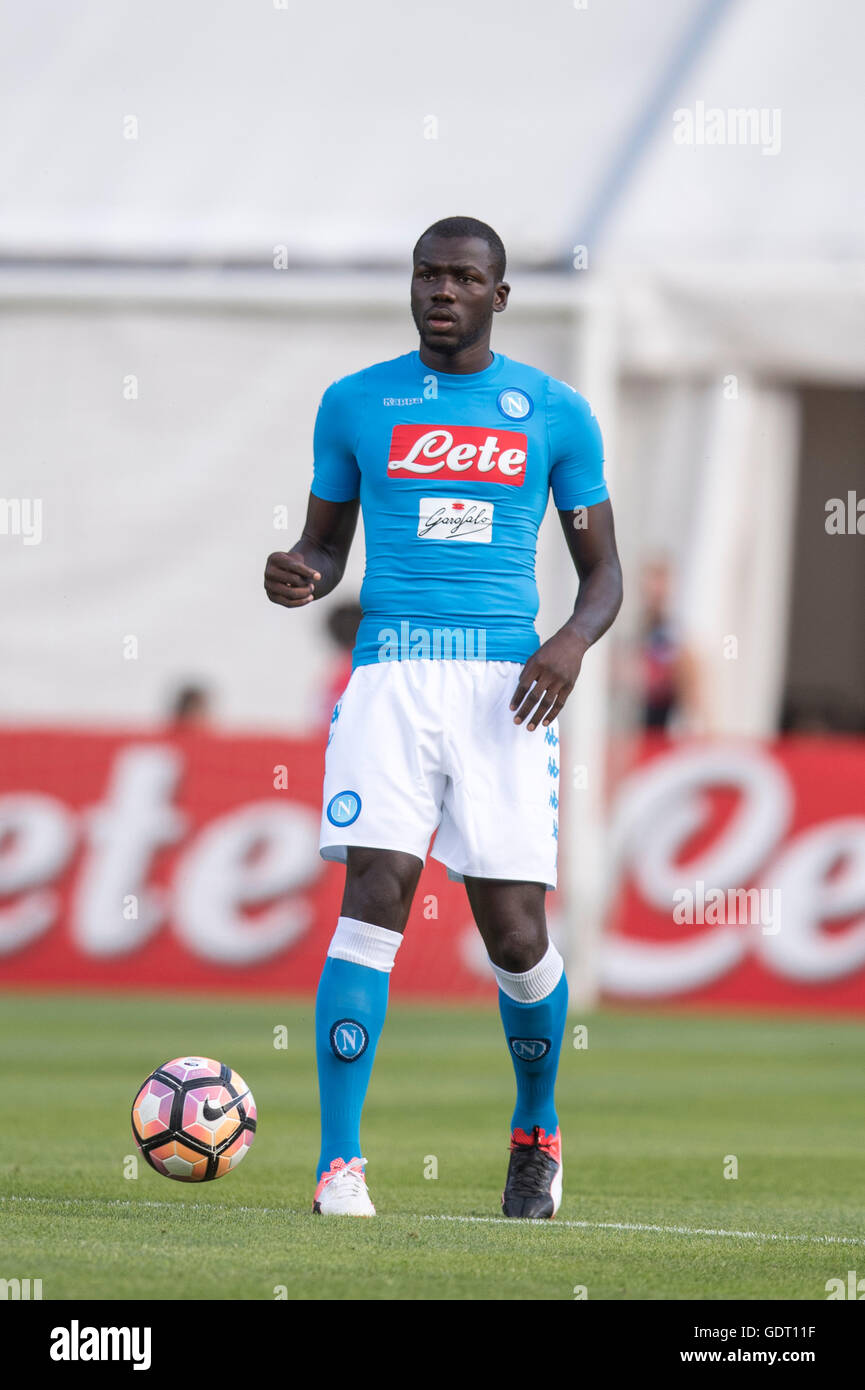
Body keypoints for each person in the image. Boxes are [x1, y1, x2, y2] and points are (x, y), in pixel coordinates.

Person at [264, 216, 622, 1219]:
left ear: (499, 297)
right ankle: (341, 1165)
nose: (443, 291)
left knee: (511, 934)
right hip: (389, 676)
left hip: (506, 687)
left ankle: (537, 1127)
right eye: (429, 274)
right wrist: (300, 572)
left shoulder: (553, 413)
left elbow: (603, 578)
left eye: (465, 277)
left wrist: (568, 643)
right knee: (374, 890)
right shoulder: (355, 402)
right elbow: (323, 544)